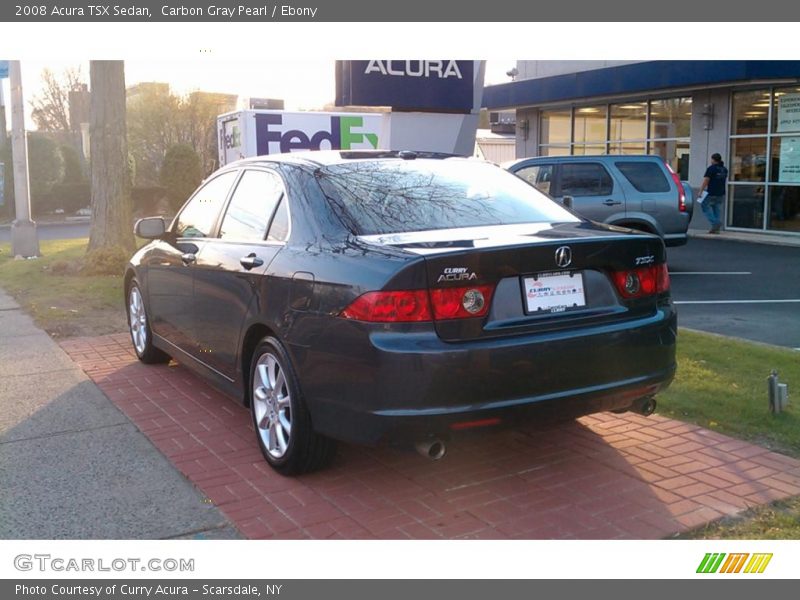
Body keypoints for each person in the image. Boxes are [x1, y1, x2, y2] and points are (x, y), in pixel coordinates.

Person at [697, 153, 729, 234]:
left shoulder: (711, 169)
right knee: (716, 208)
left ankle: (715, 223)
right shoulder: (724, 169)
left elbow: (706, 180)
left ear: (713, 160)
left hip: (711, 192)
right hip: (721, 192)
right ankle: (716, 229)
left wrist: (701, 191)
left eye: (711, 159)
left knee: (704, 206)